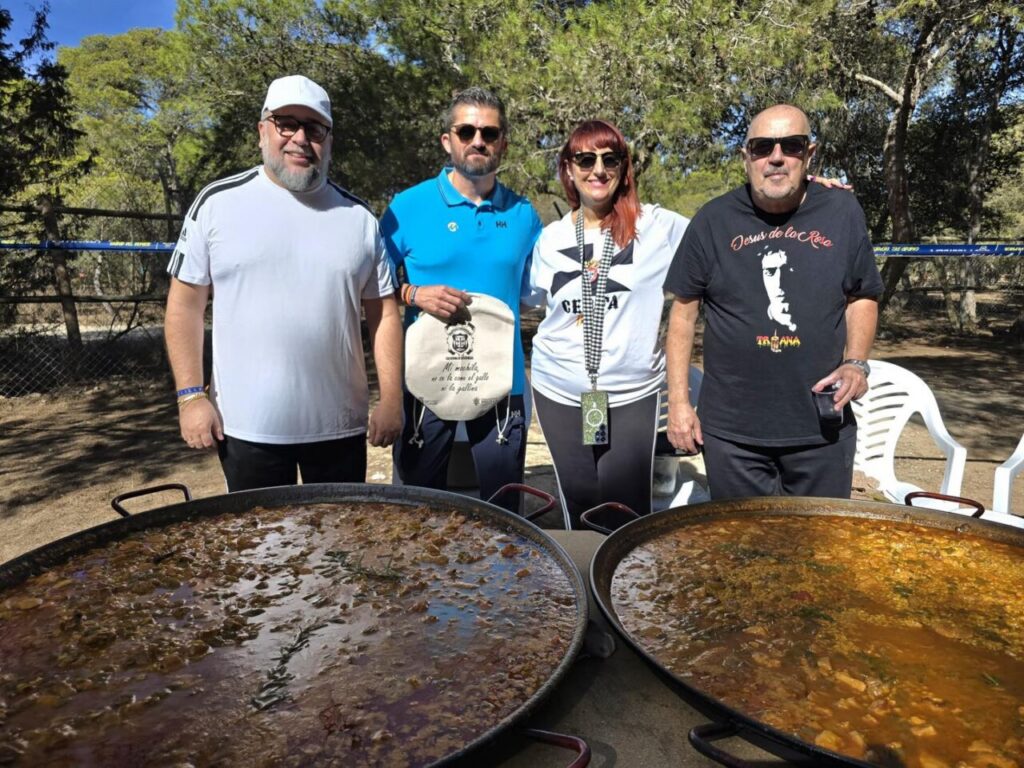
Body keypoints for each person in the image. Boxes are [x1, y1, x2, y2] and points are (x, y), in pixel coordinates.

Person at [165, 74, 402, 491]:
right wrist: (190, 396)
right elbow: (184, 307)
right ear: (262, 131)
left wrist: (392, 400)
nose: (300, 138)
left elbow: (383, 312)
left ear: (328, 140)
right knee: (260, 552)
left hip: (339, 428)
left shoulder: (359, 219)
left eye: (314, 128)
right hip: (247, 429)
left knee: (337, 550)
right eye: (285, 123)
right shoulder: (217, 204)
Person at [663, 103, 883, 500]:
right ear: (746, 156)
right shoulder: (712, 221)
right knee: (745, 552)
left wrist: (856, 362)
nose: (776, 157)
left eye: (791, 146)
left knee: (818, 550)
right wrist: (679, 402)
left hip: (821, 427)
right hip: (733, 435)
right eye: (763, 147)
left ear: (809, 154)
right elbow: (682, 314)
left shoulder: (841, 210)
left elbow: (862, 293)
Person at [380, 87, 542, 509]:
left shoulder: (524, 215)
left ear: (503, 142)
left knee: (504, 513)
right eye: (466, 130)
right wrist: (413, 293)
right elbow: (369, 288)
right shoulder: (407, 208)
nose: (478, 141)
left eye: (489, 132)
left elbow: (539, 290)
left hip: (501, 382)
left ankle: (501, 578)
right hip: (426, 377)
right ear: (447, 140)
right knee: (418, 509)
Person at [525, 119, 690, 529]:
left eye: (609, 158)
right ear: (568, 168)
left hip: (633, 391)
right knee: (579, 502)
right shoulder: (550, 239)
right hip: (560, 389)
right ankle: (582, 587)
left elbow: (726, 232)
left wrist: (801, 192)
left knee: (628, 510)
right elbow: (531, 300)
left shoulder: (658, 227)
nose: (597, 169)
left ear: (623, 168)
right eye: (585, 158)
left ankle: (623, 593)